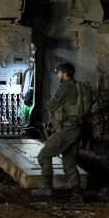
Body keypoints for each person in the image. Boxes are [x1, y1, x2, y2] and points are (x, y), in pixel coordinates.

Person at [32, 62, 84, 203]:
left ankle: (47, 188)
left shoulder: (65, 88)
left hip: (67, 129)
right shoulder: (76, 86)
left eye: (59, 72)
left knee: (44, 155)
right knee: (69, 161)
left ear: (65, 74)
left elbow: (51, 105)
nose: (57, 74)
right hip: (76, 128)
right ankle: (77, 193)